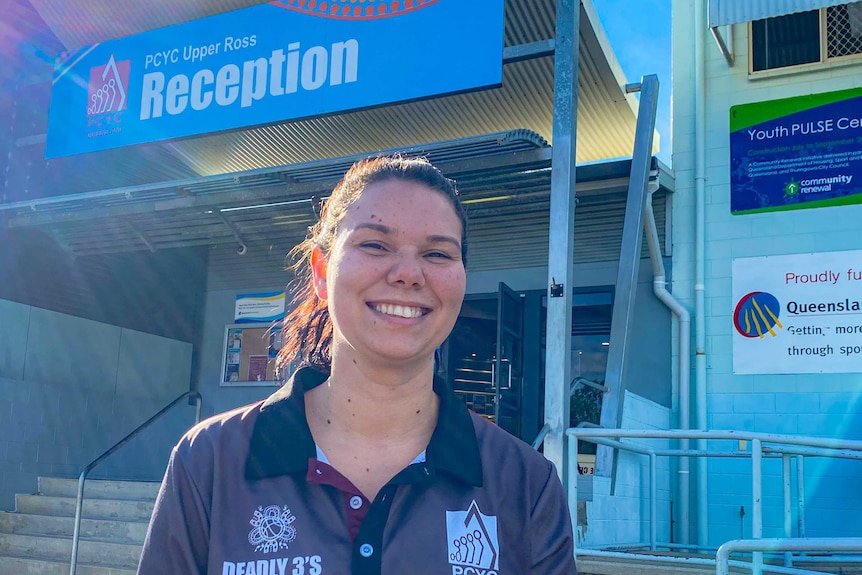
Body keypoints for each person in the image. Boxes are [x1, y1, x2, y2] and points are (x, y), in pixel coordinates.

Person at [137, 155, 577, 575]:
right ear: (321, 272)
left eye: (438, 254)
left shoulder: (525, 484)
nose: (408, 273)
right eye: (374, 244)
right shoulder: (211, 461)